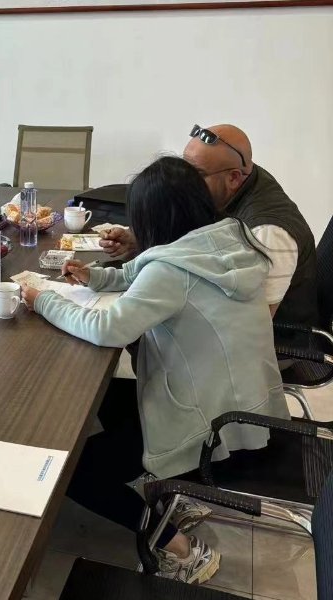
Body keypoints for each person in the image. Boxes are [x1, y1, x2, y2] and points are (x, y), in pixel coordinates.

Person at [21, 156, 288, 584]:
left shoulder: (172, 270)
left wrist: (44, 300)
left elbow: (107, 328)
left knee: (73, 470)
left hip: (205, 423)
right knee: (106, 399)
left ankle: (179, 548)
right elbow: (147, 269)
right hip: (237, 405)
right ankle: (173, 490)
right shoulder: (225, 238)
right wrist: (97, 278)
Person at [100, 124, 317, 326]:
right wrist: (141, 240)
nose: (185, 181)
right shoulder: (238, 180)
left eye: (197, 174)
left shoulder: (267, 232)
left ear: (234, 178)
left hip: (280, 341)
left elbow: (253, 326)